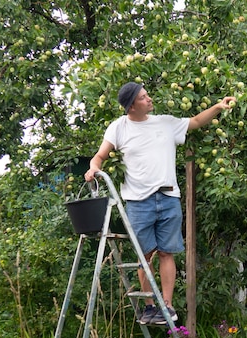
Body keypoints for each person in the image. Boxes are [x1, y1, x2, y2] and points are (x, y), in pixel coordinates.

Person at [85, 81, 236, 325]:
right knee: (145, 256)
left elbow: (195, 122)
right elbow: (100, 156)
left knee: (167, 253)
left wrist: (218, 107)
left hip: (168, 197)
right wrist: (94, 168)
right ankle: (149, 307)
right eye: (144, 98)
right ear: (131, 106)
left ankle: (166, 305)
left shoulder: (165, 123)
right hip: (138, 201)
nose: (149, 100)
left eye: (147, 95)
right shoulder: (118, 128)